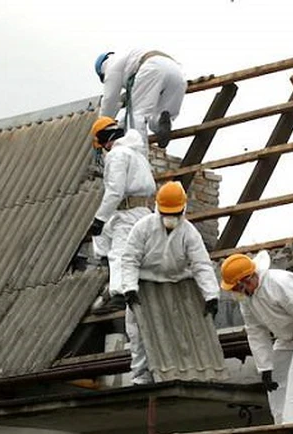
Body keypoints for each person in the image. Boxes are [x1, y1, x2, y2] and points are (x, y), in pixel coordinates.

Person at [220, 251, 293, 424]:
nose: (236, 293)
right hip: (288, 333)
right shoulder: (247, 299)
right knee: (277, 375)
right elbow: (256, 332)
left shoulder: (279, 284)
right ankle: (280, 424)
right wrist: (265, 368)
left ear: (246, 280)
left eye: (236, 288)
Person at [121, 181, 219, 385]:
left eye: (174, 213)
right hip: (145, 284)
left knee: (182, 332)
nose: (171, 218)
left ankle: (184, 373)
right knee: (139, 332)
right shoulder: (143, 227)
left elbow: (201, 264)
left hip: (177, 284)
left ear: (182, 209)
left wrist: (211, 295)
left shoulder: (189, 232)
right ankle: (141, 376)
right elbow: (129, 259)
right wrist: (129, 288)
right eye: (167, 213)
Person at [88, 116, 156, 309]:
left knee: (120, 252)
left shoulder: (117, 155)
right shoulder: (136, 153)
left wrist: (99, 219)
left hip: (128, 212)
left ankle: (118, 292)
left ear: (104, 140)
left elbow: (115, 191)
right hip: (143, 210)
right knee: (107, 235)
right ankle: (107, 268)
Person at [94, 50, 186, 148]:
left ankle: (138, 153)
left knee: (137, 115)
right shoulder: (127, 58)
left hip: (152, 68)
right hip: (177, 73)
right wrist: (120, 126)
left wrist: (100, 129)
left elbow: (110, 99)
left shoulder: (110, 66)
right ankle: (159, 121)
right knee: (158, 115)